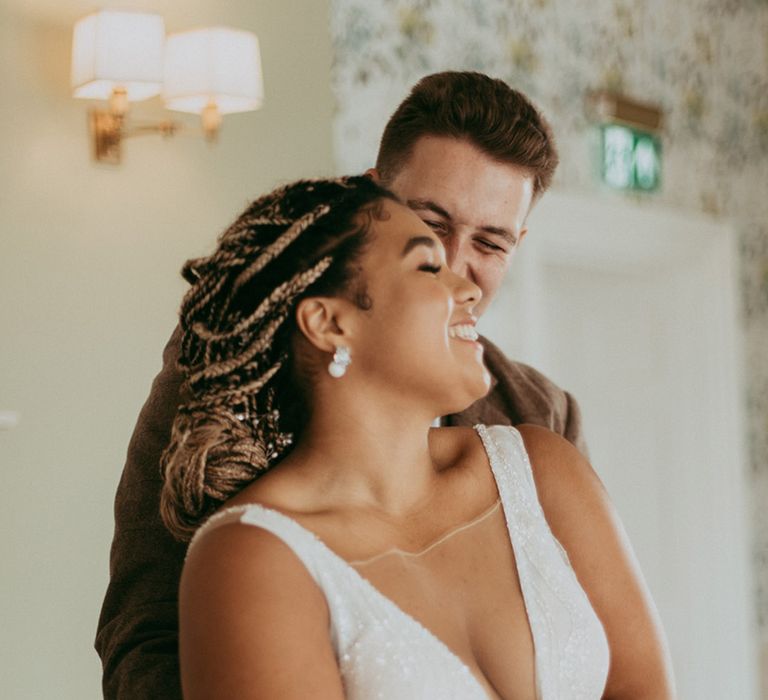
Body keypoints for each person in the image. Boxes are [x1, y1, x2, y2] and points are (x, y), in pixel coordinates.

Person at [97, 72, 583, 698]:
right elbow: (146, 632)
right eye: (430, 224)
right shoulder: (237, 369)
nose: (458, 266)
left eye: (490, 243)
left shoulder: (540, 418)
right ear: (371, 198)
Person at [161, 175, 674, 698]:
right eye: (428, 264)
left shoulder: (543, 468)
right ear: (328, 322)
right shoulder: (253, 558)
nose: (469, 287)